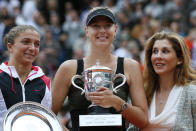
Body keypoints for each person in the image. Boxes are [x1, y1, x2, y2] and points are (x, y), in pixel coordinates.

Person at [52, 7, 148, 131]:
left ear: (115, 30)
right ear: (86, 31)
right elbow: (49, 115)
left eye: (107, 25)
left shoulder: (130, 66)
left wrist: (117, 102)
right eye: (96, 26)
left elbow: (143, 120)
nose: (102, 31)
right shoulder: (68, 68)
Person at [0, 25, 52, 131]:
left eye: (37, 44)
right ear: (10, 47)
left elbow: (44, 122)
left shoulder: (44, 81)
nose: (32, 48)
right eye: (26, 42)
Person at [142, 31, 196, 130]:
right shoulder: (143, 93)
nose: (158, 56)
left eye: (165, 51)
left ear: (180, 59)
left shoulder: (192, 94)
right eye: (155, 51)